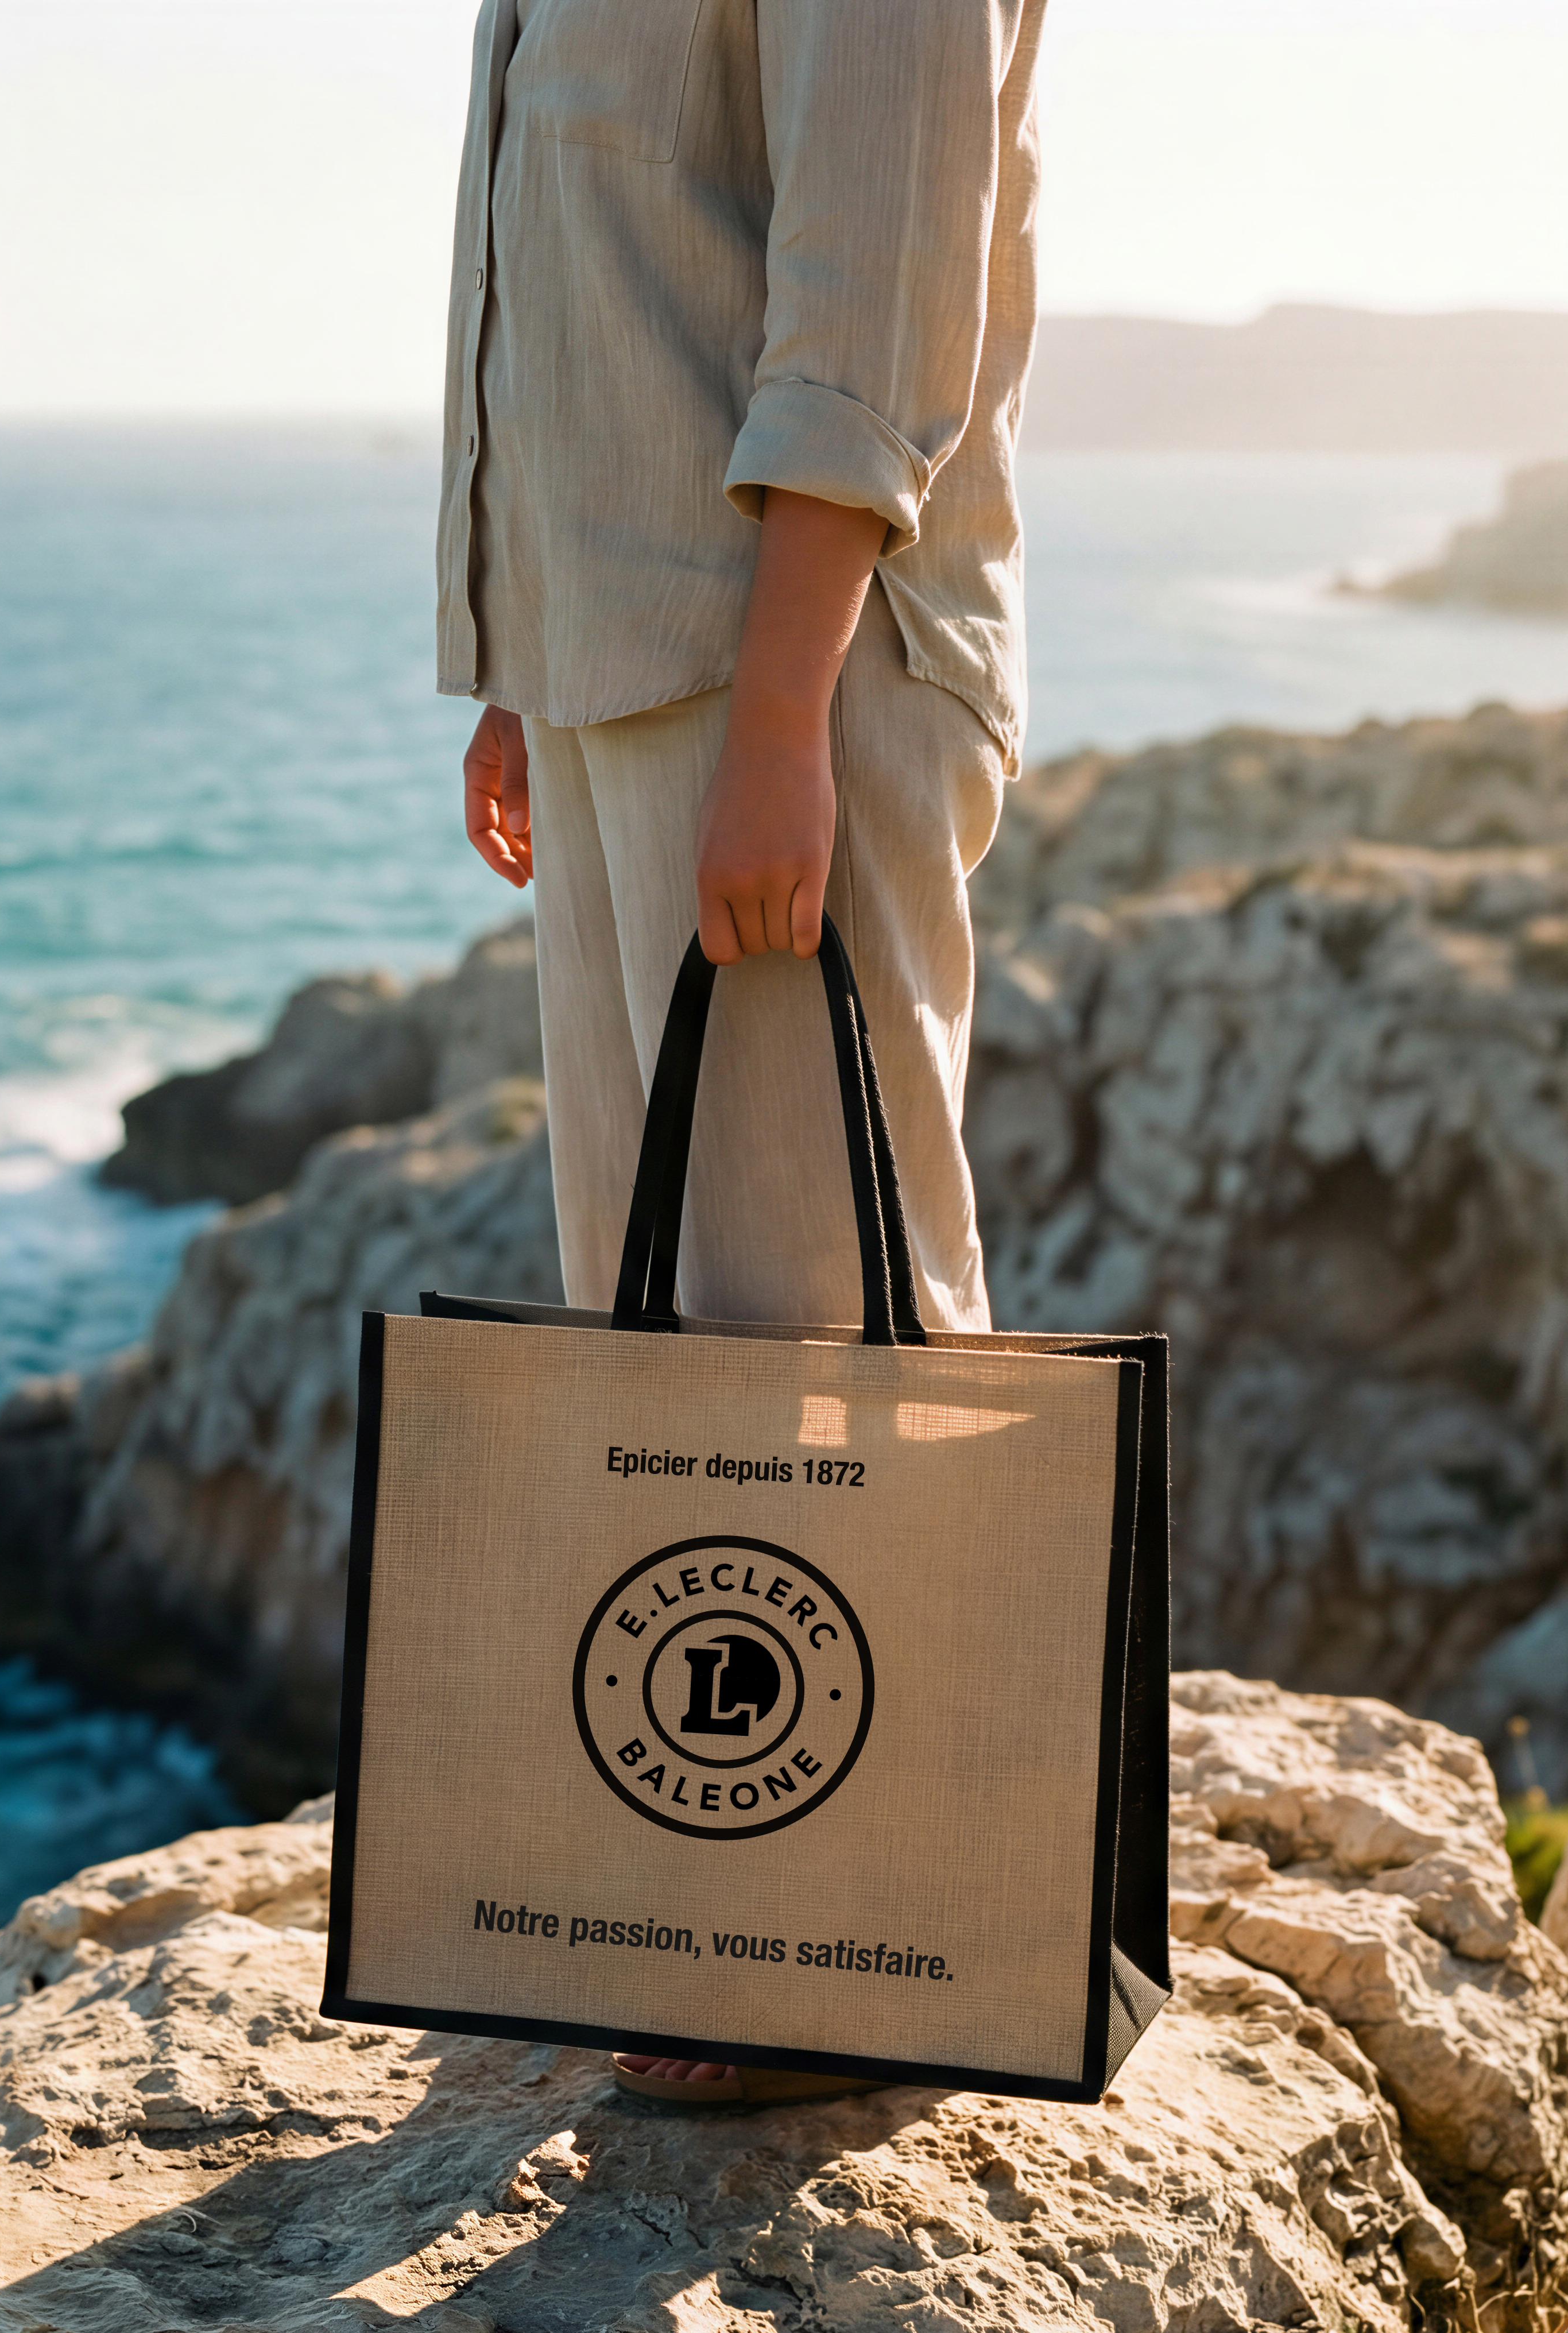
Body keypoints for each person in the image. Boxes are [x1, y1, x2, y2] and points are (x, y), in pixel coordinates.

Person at [441, 0, 1046, 2103]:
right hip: (622, 657)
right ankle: (734, 1896)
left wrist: (784, 717)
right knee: (664, 1311)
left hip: (781, 668)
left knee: (817, 1300)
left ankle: (873, 1945)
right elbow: (581, 241)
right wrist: (516, 661)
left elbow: (874, 271)